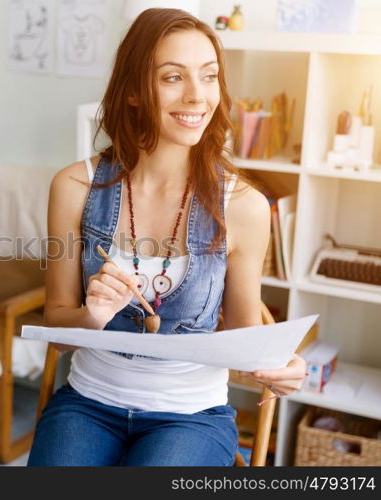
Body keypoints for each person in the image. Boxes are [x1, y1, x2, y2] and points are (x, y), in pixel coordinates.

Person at [27, 8, 306, 466]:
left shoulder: (245, 206)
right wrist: (92, 317)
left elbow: (242, 335)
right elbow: (58, 334)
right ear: (135, 91)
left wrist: (281, 366)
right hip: (88, 403)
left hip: (192, 416)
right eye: (173, 77)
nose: (197, 96)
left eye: (209, 76)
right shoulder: (74, 188)